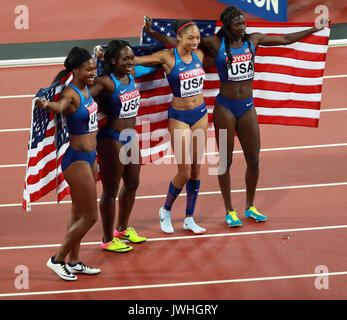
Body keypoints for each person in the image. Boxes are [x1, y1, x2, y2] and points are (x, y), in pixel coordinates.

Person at [143, 8, 326, 227]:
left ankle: (250, 206)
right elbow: (176, 41)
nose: (243, 27)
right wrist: (152, 32)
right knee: (225, 161)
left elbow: (285, 39)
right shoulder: (214, 43)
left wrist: (315, 28)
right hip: (225, 108)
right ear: (228, 26)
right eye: (238, 24)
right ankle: (230, 210)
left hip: (247, 107)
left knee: (254, 159)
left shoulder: (253, 40)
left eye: (244, 23)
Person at [134, 19, 208, 234]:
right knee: (183, 172)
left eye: (198, 37)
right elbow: (137, 59)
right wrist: (107, 55)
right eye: (191, 38)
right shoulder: (167, 57)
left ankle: (189, 218)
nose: (195, 41)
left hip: (200, 114)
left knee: (196, 168)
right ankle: (165, 210)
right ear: (179, 37)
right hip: (180, 117)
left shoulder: (200, 55)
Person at [36, 47, 101, 281]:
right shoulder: (72, 93)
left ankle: (73, 261)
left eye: (94, 67)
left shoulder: (85, 89)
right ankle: (57, 258)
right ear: (75, 70)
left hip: (91, 157)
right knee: (91, 216)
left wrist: (100, 56)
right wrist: (46, 105)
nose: (93, 71)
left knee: (78, 210)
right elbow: (61, 107)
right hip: (76, 160)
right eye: (89, 68)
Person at [89, 40, 147, 253]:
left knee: (132, 183)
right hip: (111, 140)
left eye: (131, 58)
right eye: (126, 59)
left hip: (131, 137)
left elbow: (152, 65)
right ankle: (106, 239)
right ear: (113, 60)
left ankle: (121, 229)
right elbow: (83, 92)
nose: (131, 62)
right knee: (110, 190)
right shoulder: (106, 82)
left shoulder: (131, 75)